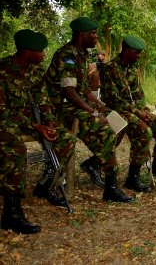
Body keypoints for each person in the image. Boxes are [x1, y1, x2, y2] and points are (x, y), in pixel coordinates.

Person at [45, 17, 133, 203]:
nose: (96, 37)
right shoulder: (66, 55)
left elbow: (84, 89)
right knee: (106, 130)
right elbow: (69, 92)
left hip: (78, 103)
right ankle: (111, 187)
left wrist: (102, 107)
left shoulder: (82, 55)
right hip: (63, 108)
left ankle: (94, 163)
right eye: (93, 33)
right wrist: (94, 113)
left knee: (119, 122)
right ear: (81, 34)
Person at [0, 29, 77, 234]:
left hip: (31, 122)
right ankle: (11, 212)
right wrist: (35, 126)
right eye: (40, 51)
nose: (44, 55)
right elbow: (4, 110)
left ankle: (46, 184)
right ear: (26, 52)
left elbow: (43, 101)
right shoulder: (3, 71)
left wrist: (49, 124)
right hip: (6, 121)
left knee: (66, 138)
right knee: (15, 148)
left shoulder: (35, 71)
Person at [95, 35, 156, 189]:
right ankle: (133, 177)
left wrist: (144, 110)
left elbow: (138, 94)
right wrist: (139, 113)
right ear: (126, 50)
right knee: (143, 132)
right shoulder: (109, 69)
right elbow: (114, 100)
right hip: (114, 111)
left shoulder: (132, 68)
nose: (139, 56)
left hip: (134, 111)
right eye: (136, 52)